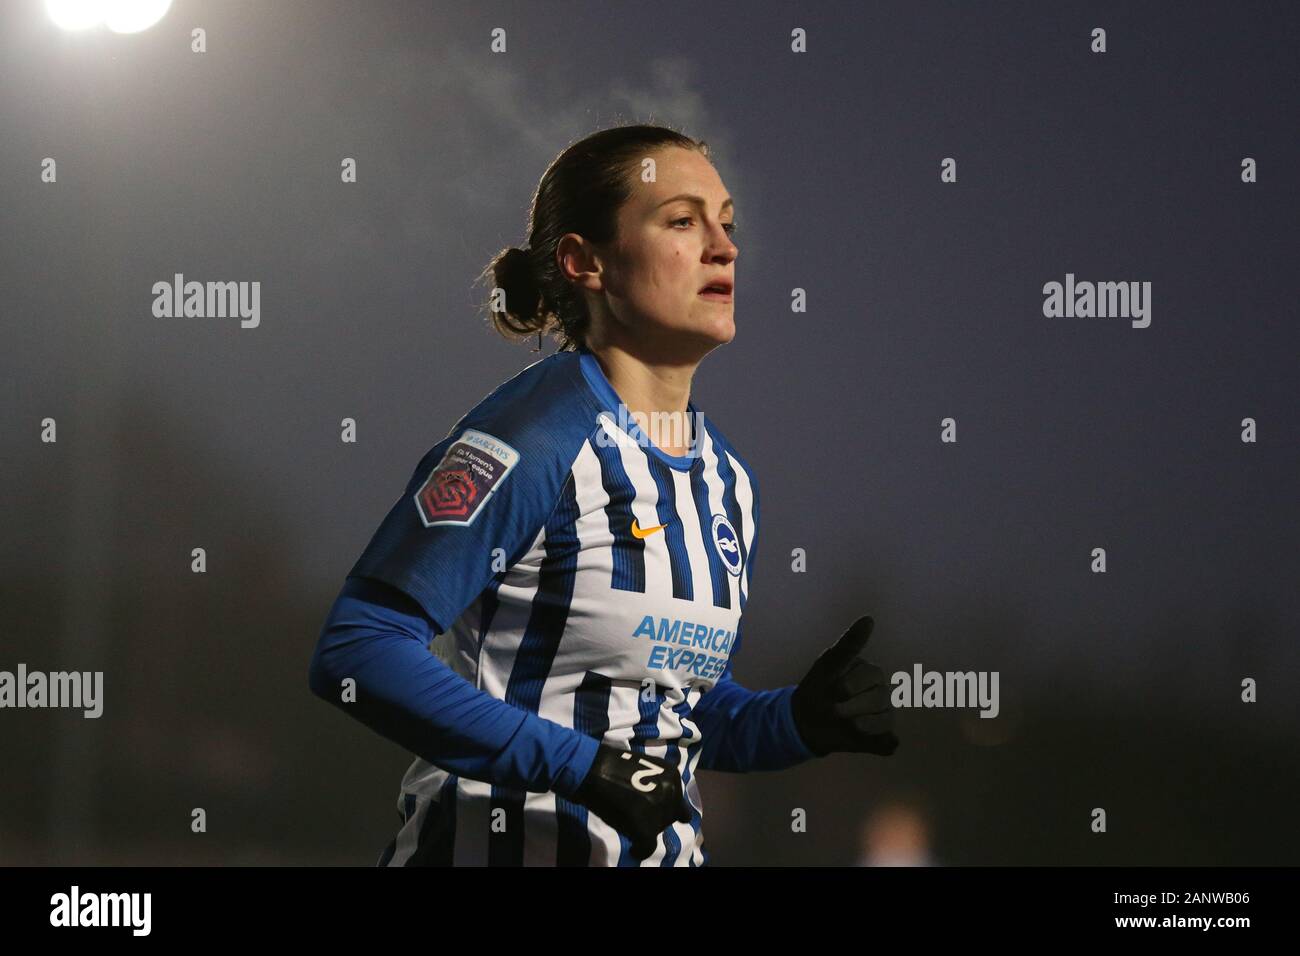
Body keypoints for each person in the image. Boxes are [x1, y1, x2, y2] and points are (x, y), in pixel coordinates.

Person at [308, 123, 898, 867]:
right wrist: (578, 766)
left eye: (727, 223)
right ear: (585, 262)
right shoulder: (532, 436)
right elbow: (359, 649)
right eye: (683, 221)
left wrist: (793, 722)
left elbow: (662, 707)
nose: (724, 247)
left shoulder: (728, 483)